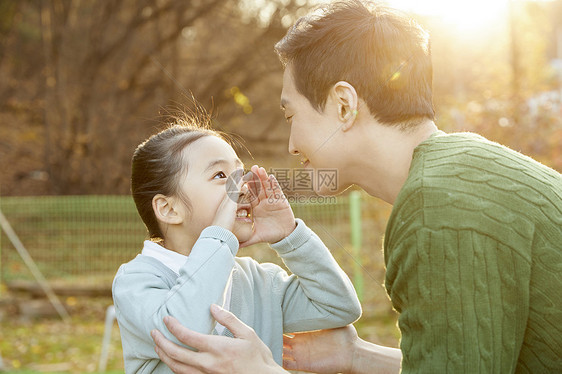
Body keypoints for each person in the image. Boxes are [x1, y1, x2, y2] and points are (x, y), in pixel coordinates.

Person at [151, 1, 562, 373]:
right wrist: (358, 357)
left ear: (343, 105)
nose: (292, 145)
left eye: (291, 116)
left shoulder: (437, 216)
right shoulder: (464, 165)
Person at [112, 116, 362, 373]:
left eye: (239, 174)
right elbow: (185, 331)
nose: (242, 187)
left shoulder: (259, 281)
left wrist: (289, 236)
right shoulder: (136, 281)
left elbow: (338, 306)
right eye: (220, 175)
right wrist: (219, 236)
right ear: (169, 209)